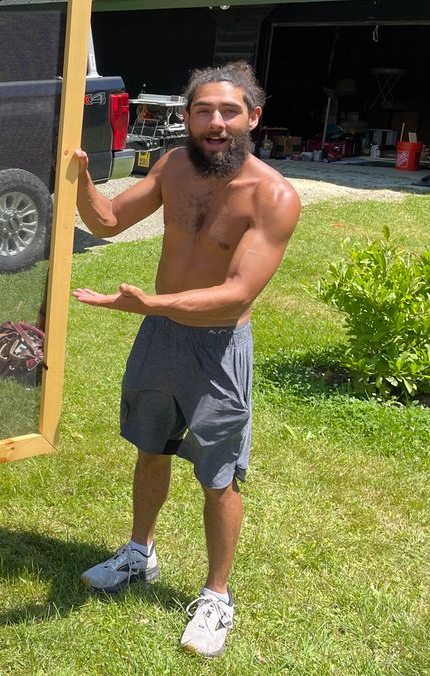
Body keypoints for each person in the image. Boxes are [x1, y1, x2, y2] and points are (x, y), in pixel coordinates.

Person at [71, 61, 300, 659]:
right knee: (151, 449)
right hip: (160, 337)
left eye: (229, 112)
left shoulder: (273, 196)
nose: (215, 123)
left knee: (220, 476)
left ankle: (216, 596)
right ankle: (137, 554)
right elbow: (109, 220)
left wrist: (153, 301)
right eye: (203, 111)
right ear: (188, 116)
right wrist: (79, 179)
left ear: (253, 117)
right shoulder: (173, 165)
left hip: (217, 346)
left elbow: (239, 291)